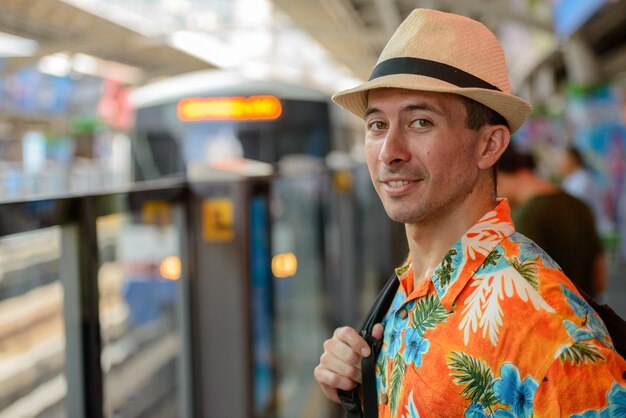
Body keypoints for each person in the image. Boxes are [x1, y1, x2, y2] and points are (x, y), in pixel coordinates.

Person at [313, 8, 626, 418]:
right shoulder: (406, 290)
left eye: (421, 122)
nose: (389, 152)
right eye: (376, 125)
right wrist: (356, 385)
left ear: (489, 146)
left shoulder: (554, 338)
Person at [497, 144, 606, 298]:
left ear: (498, 174)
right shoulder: (578, 205)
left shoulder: (524, 219)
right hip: (589, 316)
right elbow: (599, 280)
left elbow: (523, 294)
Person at [558, 145, 607, 234]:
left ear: (573, 160)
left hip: (585, 229)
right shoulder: (571, 179)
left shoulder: (583, 181)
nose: (560, 164)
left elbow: (572, 208)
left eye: (563, 160)